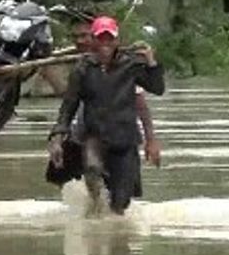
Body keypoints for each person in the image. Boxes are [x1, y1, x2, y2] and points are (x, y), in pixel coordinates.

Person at [48, 16, 165, 216]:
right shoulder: (82, 69)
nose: (105, 44)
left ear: (117, 41)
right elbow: (68, 107)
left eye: (109, 39)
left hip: (125, 141)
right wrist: (57, 138)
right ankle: (94, 213)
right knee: (93, 170)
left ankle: (113, 231)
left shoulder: (131, 66)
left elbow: (157, 88)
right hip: (95, 138)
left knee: (120, 204)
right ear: (93, 41)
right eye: (100, 39)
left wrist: (151, 63)